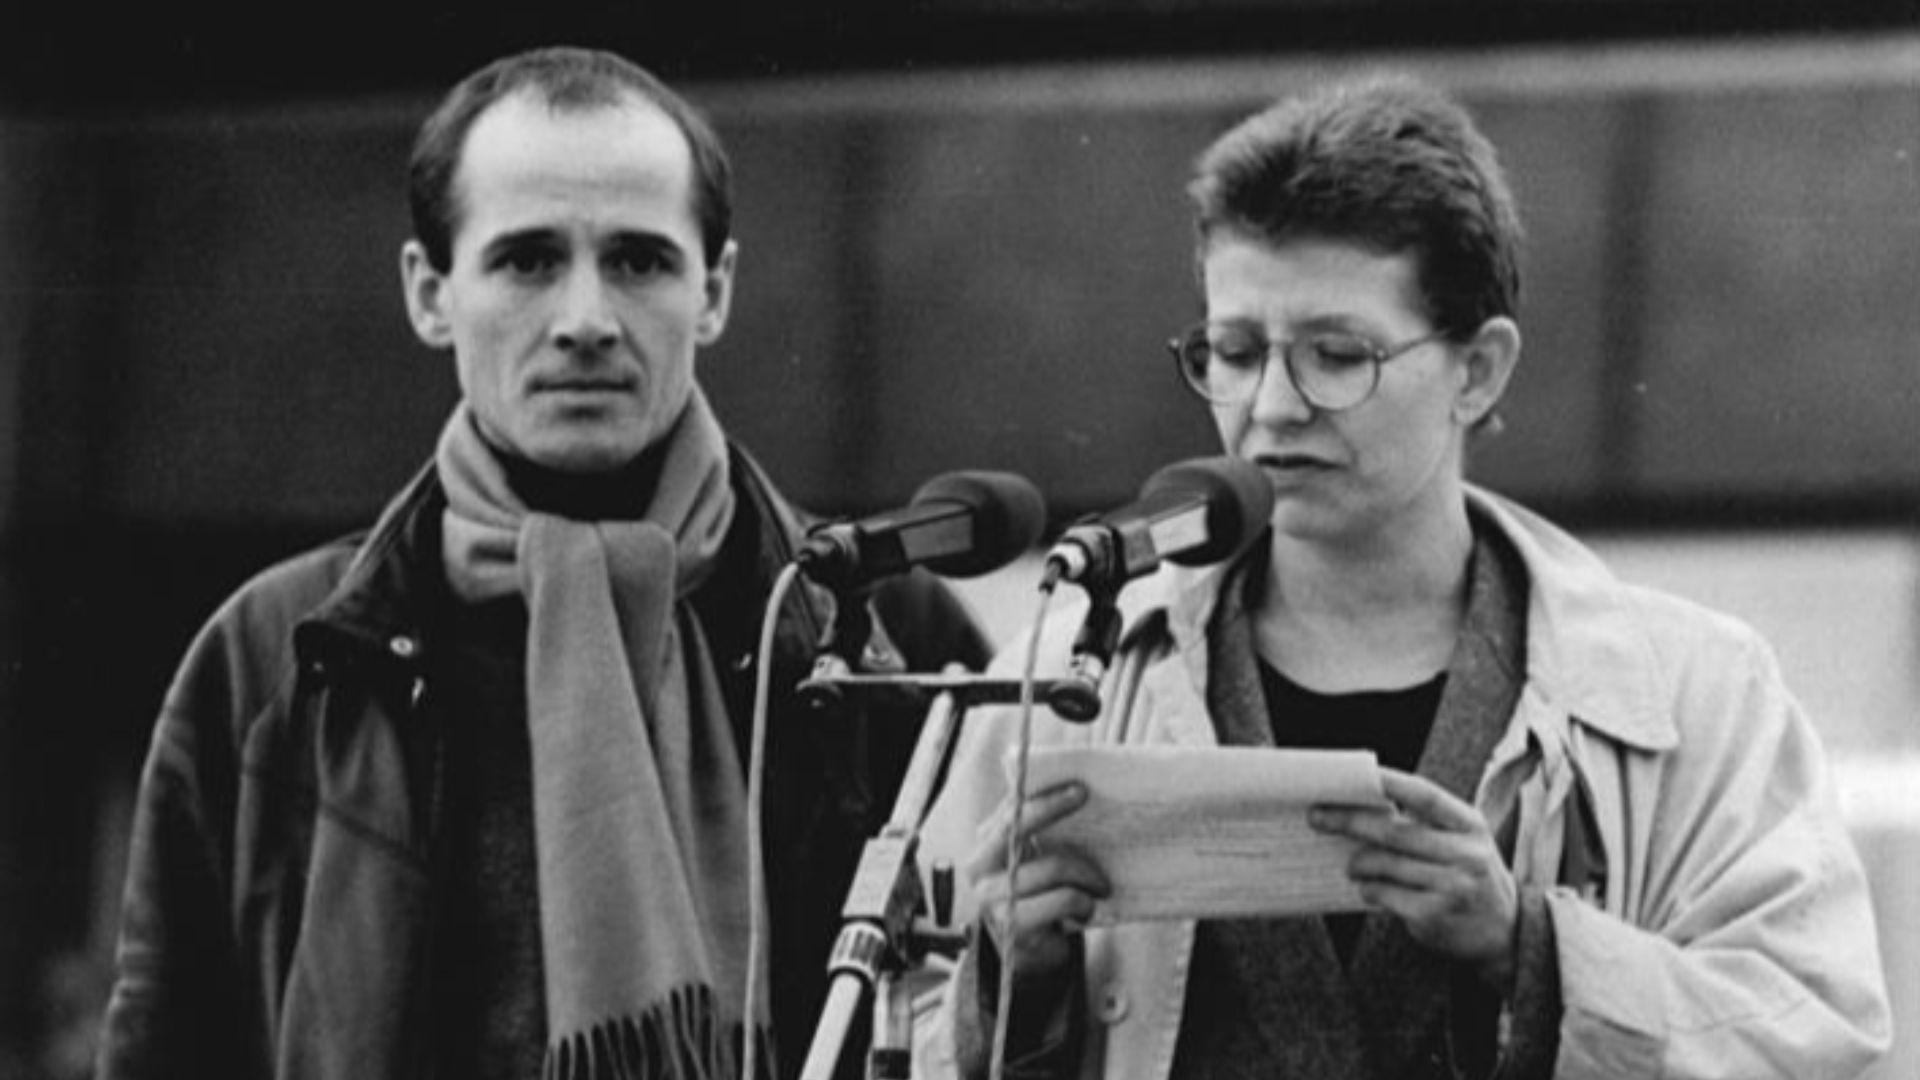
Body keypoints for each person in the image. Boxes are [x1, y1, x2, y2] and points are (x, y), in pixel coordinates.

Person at [911, 75, 1890, 1080]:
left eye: (1337, 354)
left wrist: (1533, 951)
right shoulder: (1063, 686)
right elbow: (890, 1029)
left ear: (1480, 370)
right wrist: (1007, 972)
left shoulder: (1697, 695)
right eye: (1235, 352)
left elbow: (1819, 1036)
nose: (1273, 406)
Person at [95, 46, 990, 1080]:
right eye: (526, 259)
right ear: (431, 293)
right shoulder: (274, 652)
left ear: (715, 290)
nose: (585, 321)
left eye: (639, 260)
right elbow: (166, 1046)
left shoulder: (880, 635)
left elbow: (996, 1020)